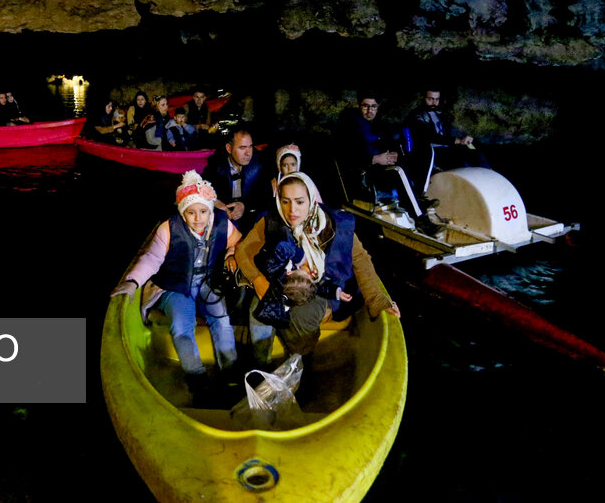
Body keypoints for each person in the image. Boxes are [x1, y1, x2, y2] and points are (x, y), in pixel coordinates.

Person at [235, 172, 400, 365]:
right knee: (259, 309)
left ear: (311, 200)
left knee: (300, 317)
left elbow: (360, 260)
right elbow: (243, 251)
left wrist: (377, 299)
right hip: (283, 284)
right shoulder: (271, 220)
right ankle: (261, 368)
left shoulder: (336, 224)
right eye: (285, 201)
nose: (292, 210)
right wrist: (258, 280)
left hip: (323, 288)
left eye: (299, 202)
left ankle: (299, 365)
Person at [110, 171, 242, 400]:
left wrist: (231, 253)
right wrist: (132, 282)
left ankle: (230, 373)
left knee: (221, 320)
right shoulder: (168, 228)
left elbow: (237, 242)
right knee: (181, 328)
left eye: (203, 211)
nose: (198, 218)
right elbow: (151, 259)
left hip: (208, 283)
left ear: (210, 209)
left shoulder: (222, 223)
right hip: (175, 286)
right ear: (183, 212)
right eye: (191, 212)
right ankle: (197, 378)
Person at [337, 93, 441, 236]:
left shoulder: (379, 125)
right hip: (366, 173)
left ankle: (419, 196)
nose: (369, 111)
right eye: (366, 106)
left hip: (384, 167)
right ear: (359, 106)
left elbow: (390, 143)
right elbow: (347, 157)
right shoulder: (350, 127)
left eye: (373, 107)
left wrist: (395, 153)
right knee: (397, 172)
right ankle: (422, 221)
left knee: (425, 152)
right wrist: (375, 159)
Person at [204, 127, 271, 233]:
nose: (248, 153)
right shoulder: (215, 166)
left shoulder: (259, 164)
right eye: (242, 148)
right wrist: (216, 202)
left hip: (251, 216)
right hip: (224, 218)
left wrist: (244, 206)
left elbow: (266, 196)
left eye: (250, 147)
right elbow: (203, 188)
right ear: (229, 148)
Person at [404, 89, 489, 170]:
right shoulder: (416, 115)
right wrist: (458, 140)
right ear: (423, 98)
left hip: (446, 149)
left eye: (437, 99)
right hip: (430, 153)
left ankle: (487, 174)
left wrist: (463, 140)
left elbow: (448, 134)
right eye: (430, 99)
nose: (434, 103)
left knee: (474, 146)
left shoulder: (440, 113)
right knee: (462, 155)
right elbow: (427, 135)